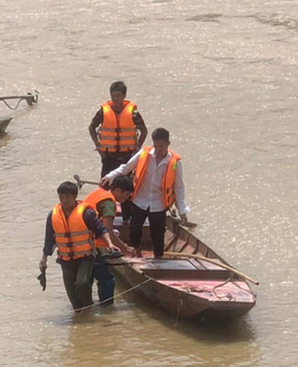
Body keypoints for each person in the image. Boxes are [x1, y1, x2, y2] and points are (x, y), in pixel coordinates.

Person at [100, 128, 189, 258]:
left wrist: (182, 210)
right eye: (156, 146)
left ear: (168, 144)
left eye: (161, 146)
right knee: (134, 230)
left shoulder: (175, 163)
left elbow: (179, 187)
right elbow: (126, 168)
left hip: (159, 204)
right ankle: (138, 253)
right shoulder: (144, 154)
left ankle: (158, 260)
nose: (158, 150)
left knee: (158, 234)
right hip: (140, 200)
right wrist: (110, 176)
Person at [39, 182, 119, 311]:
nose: (64, 201)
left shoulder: (86, 213)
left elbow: (101, 230)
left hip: (85, 257)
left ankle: (88, 309)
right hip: (65, 259)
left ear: (74, 197)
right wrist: (44, 259)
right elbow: (49, 240)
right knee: (71, 292)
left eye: (68, 197)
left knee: (82, 283)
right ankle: (80, 314)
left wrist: (110, 244)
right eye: (62, 197)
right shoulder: (53, 216)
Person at [83, 176, 135, 304]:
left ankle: (86, 307)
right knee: (107, 279)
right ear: (117, 190)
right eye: (127, 194)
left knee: (87, 278)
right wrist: (125, 248)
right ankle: (106, 309)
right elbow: (108, 231)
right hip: (92, 245)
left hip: (82, 241)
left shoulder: (99, 193)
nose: (127, 198)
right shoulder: (109, 203)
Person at [88, 81, 148, 177]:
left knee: (126, 187)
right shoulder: (103, 112)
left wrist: (138, 148)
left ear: (124, 96)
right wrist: (98, 146)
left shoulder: (133, 113)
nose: (116, 99)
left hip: (127, 156)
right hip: (108, 156)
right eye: (113, 96)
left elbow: (144, 130)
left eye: (118, 95)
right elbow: (91, 127)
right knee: (106, 185)